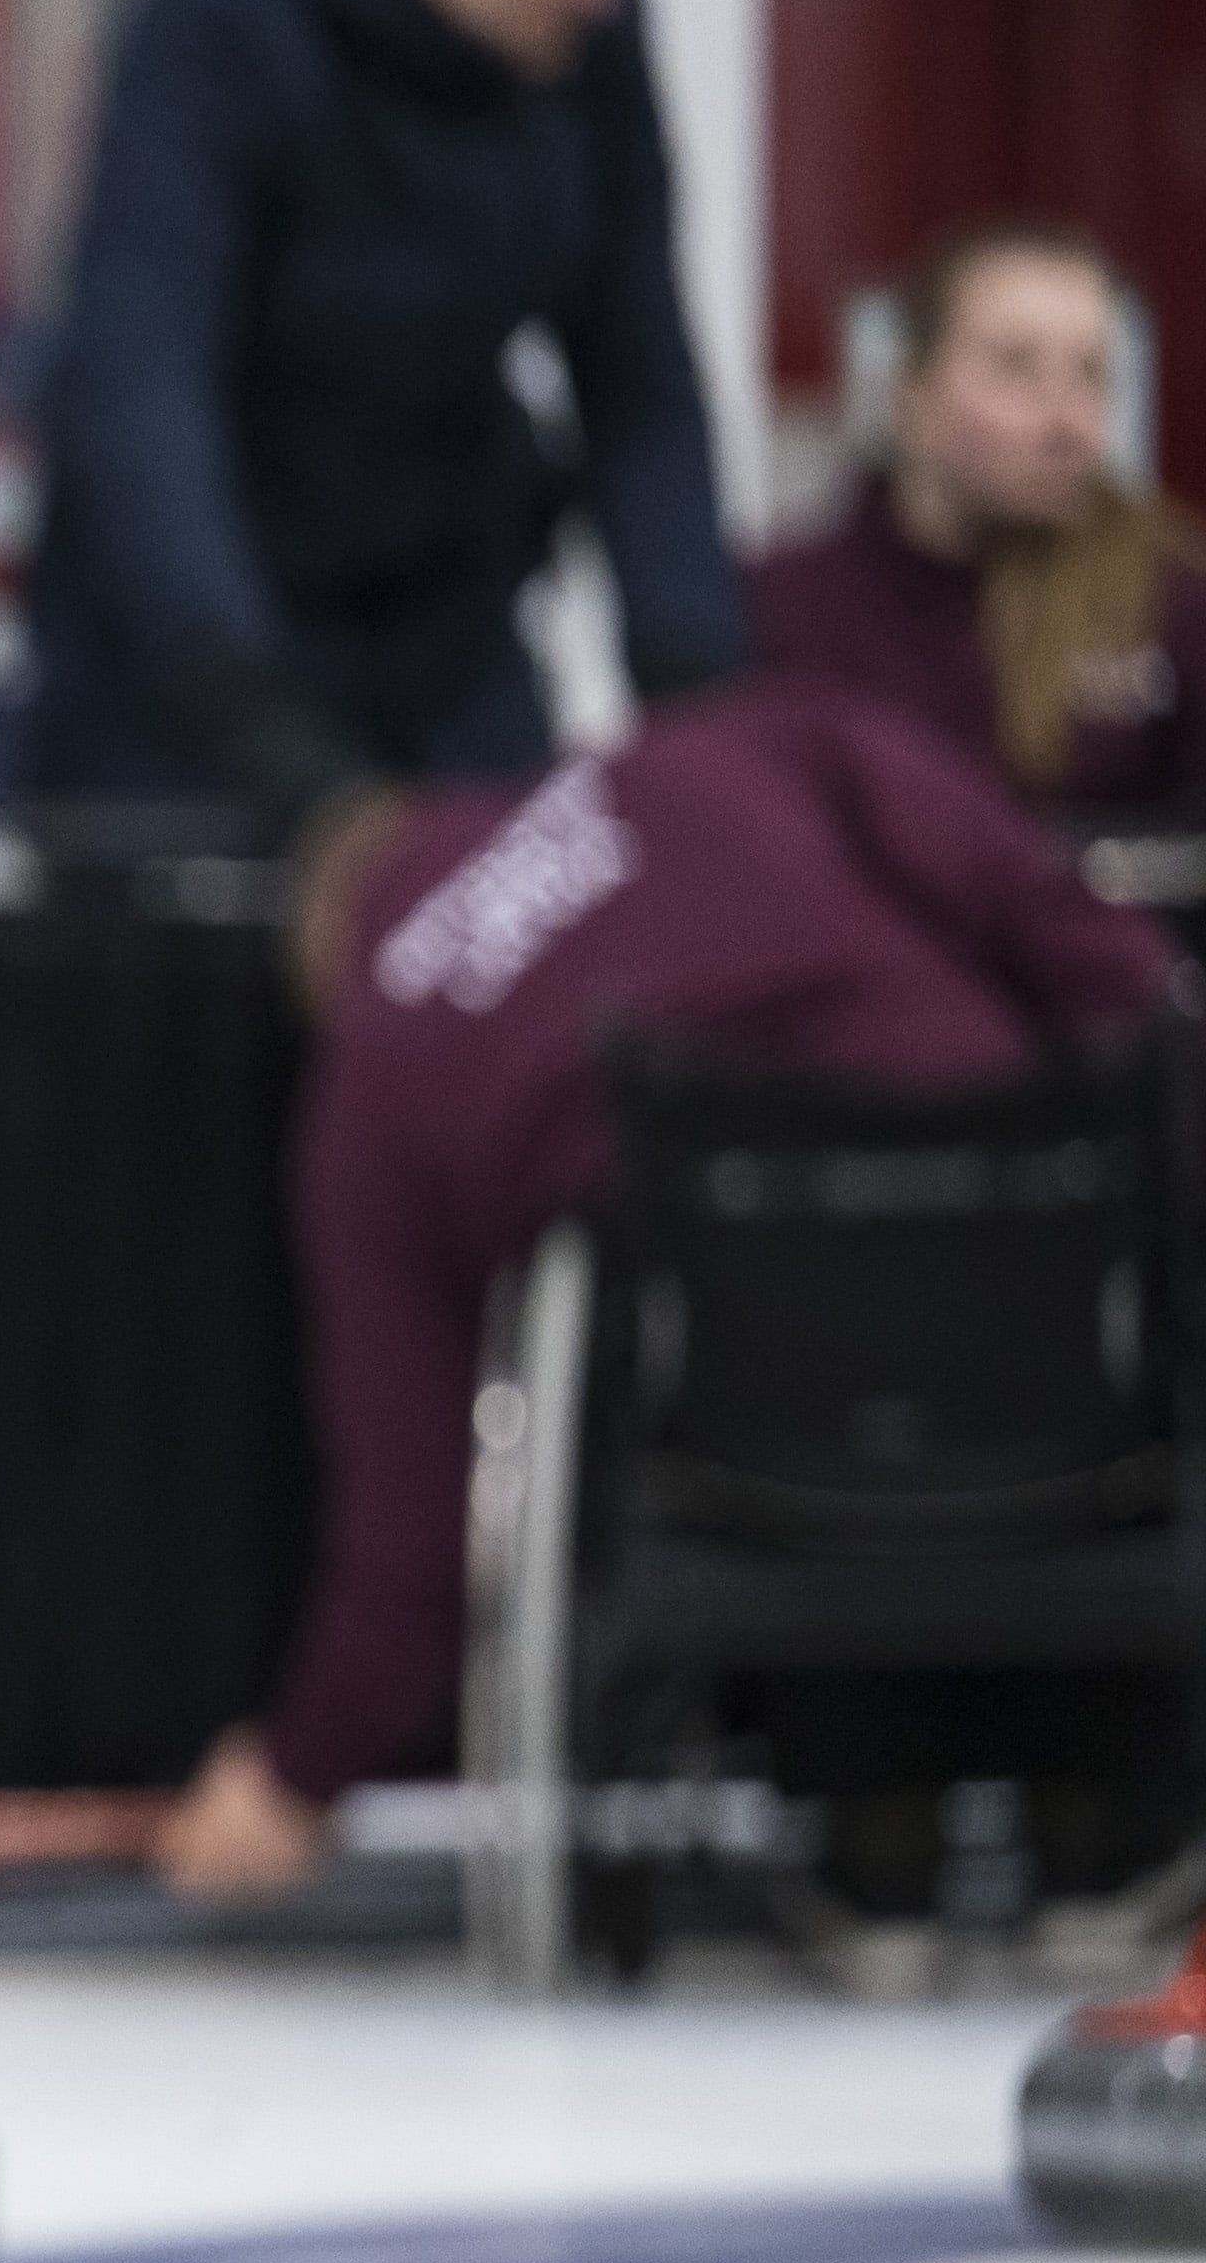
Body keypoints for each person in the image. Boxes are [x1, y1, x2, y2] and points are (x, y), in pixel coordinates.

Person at [152, 675, 1187, 1903]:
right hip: (1059, 1320)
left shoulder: (372, 1081)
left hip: (756, 1453)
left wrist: (296, 1776)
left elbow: (414, 1535)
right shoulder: (705, 755)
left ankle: (875, 1819)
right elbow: (1028, 891)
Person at [30, 0, 744, 823]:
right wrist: (239, 697)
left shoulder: (588, 49)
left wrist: (693, 683)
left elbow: (637, 369)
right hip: (196, 663)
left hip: (448, 642)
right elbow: (139, 379)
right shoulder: (220, 28)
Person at [752, 222, 1205, 810]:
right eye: (1017, 368)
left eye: (1093, 373)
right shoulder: (786, 608)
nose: (1068, 422)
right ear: (909, 393)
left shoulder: (1169, 598)